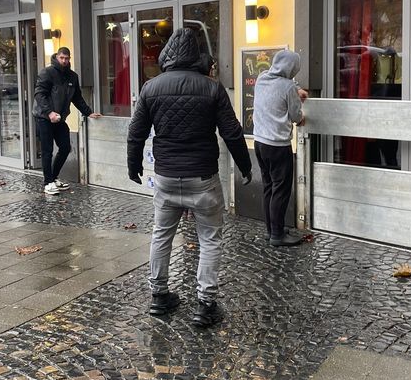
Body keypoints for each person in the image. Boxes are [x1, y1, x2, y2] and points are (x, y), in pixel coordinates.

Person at [128, 28, 253, 328]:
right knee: (210, 239)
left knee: (161, 234)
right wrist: (246, 167)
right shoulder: (211, 88)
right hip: (202, 177)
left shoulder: (151, 87)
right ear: (197, 57)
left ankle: (159, 296)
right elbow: (232, 132)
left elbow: (136, 132)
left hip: (167, 175)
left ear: (168, 55)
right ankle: (205, 305)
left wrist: (133, 166)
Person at [253, 49, 306, 247]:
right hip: (277, 146)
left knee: (268, 187)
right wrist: (301, 118)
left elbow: (285, 86)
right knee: (281, 190)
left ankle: (271, 229)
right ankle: (277, 235)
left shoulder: (262, 77)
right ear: (291, 68)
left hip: (259, 143)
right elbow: (295, 115)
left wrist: (296, 88)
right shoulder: (287, 87)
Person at [32, 47, 101, 195]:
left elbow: (77, 98)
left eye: (67, 58)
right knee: (47, 151)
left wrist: (88, 112)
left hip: (60, 118)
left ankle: (53, 177)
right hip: (44, 117)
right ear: (57, 57)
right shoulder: (47, 73)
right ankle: (47, 182)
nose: (64, 61)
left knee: (65, 147)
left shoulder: (72, 76)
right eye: (62, 58)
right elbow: (39, 94)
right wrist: (49, 112)